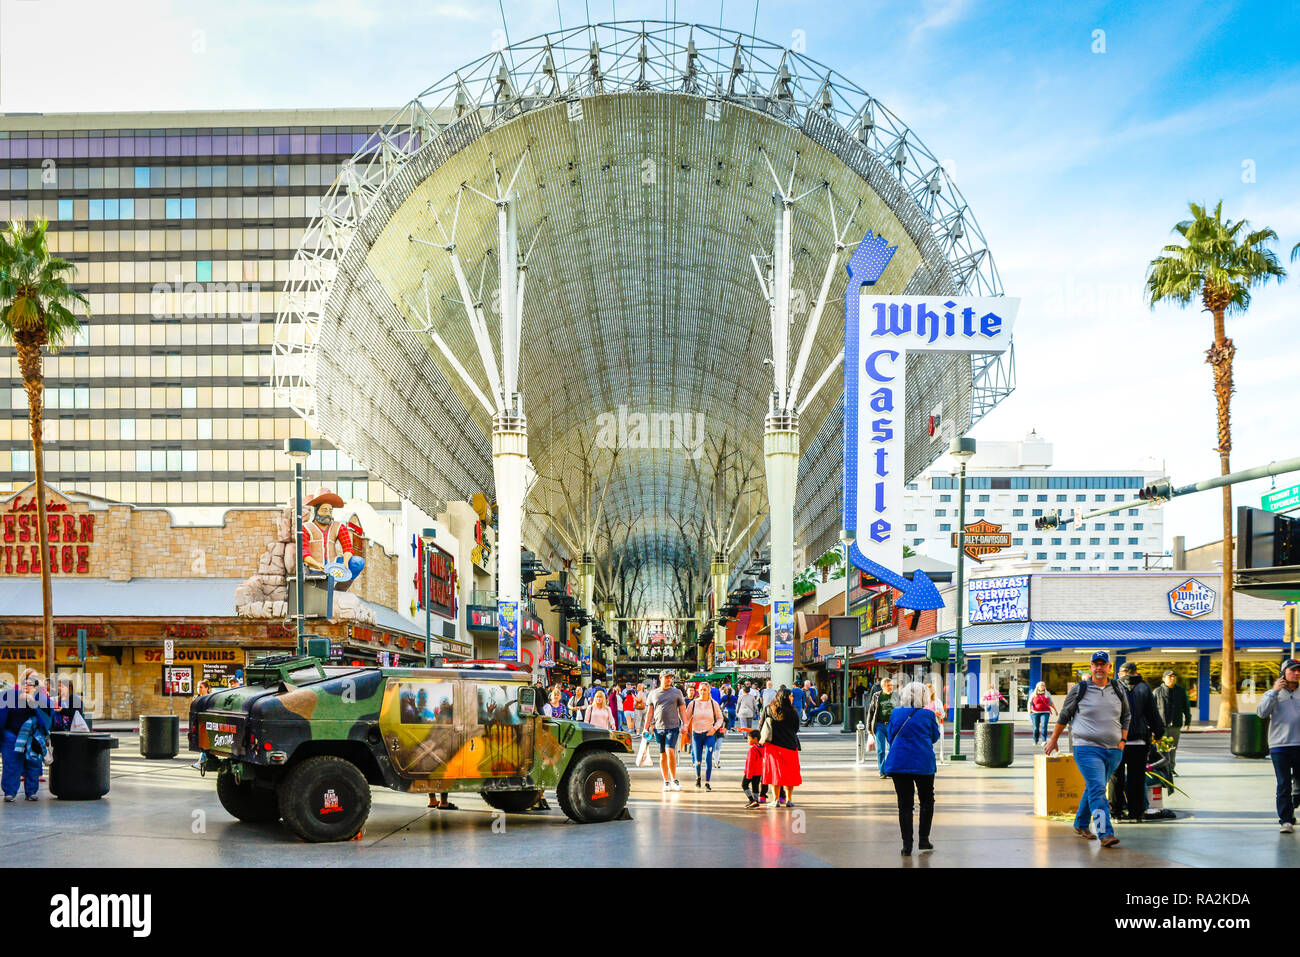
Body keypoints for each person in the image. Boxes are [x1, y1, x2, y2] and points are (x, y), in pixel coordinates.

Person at [1044, 651, 1130, 848]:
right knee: (1098, 789)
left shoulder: (1118, 688)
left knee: (1094, 787)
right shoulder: (1080, 689)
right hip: (1086, 748)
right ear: (1091, 667)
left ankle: (1080, 823)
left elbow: (1126, 716)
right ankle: (1105, 833)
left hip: (1114, 750)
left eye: (1103, 664)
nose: (1099, 668)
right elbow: (1064, 715)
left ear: (1110, 667)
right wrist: (1054, 739)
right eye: (1095, 664)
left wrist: (1123, 741)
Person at [883, 681, 941, 855]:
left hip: (899, 762)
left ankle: (907, 845)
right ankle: (924, 839)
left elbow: (890, 735)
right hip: (923, 762)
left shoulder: (896, 713)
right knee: (927, 800)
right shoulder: (928, 715)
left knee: (905, 805)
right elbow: (935, 736)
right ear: (923, 696)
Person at [1112, 662, 1163, 823]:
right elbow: (1152, 713)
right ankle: (1136, 813)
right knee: (1137, 778)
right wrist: (1159, 732)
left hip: (1117, 740)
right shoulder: (1145, 688)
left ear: (1122, 673)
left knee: (1116, 778)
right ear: (1136, 672)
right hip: (1139, 741)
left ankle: (1116, 813)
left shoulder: (1113, 687)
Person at [1257, 658, 1300, 833]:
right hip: (1280, 746)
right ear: (1283, 673)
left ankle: (1291, 806)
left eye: (1298, 671)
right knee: (1283, 783)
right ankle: (1285, 820)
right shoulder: (1272, 694)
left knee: (1298, 786)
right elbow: (1261, 713)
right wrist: (1274, 691)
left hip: (1299, 745)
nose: (1297, 673)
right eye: (1293, 670)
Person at [2, 672, 52, 802]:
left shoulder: (39, 697)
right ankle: (10, 792)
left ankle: (31, 792)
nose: (27, 685)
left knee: (33, 763)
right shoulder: (9, 695)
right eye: (25, 682)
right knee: (11, 764)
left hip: (33, 737)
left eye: (32, 682)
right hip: (11, 736)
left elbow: (48, 712)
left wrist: (33, 700)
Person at [645, 670, 689, 791]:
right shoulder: (653, 693)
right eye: (667, 677)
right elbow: (649, 712)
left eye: (671, 678)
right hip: (659, 728)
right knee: (662, 756)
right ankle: (666, 781)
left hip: (673, 727)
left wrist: (685, 724)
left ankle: (674, 779)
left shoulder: (677, 692)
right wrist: (645, 727)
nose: (669, 680)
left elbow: (682, 710)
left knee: (670, 751)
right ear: (660, 678)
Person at [759, 686, 802, 807]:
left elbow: (761, 725)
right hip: (790, 746)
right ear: (785, 697)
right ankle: (789, 799)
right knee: (789, 774)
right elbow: (796, 728)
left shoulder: (768, 709)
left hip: (773, 746)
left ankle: (776, 800)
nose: (792, 698)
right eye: (791, 696)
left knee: (774, 774)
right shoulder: (793, 711)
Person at [685, 682, 725, 789]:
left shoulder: (713, 704)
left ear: (709, 691)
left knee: (708, 758)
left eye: (705, 690)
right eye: (701, 690)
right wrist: (684, 727)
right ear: (698, 691)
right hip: (696, 734)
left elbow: (720, 718)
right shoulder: (693, 703)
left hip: (709, 734)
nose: (703, 692)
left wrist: (714, 728)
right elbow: (686, 718)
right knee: (698, 759)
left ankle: (707, 782)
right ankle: (698, 778)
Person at [1153, 670, 1191, 777]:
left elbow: (1186, 706)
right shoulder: (1157, 691)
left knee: (1173, 748)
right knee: (1161, 749)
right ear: (1163, 678)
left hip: (1175, 725)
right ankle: (1161, 769)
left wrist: (1188, 720)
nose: (1172, 679)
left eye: (1173, 677)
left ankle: (1171, 769)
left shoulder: (1181, 691)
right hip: (1161, 726)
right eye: (1169, 677)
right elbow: (1151, 709)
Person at [866, 677, 896, 777]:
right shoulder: (876, 696)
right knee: (881, 750)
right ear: (883, 686)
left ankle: (890, 769)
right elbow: (871, 711)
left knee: (893, 749)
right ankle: (882, 771)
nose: (890, 687)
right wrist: (869, 727)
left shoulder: (896, 696)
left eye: (891, 685)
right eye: (888, 685)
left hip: (892, 726)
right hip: (879, 725)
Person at [742, 729, 768, 808]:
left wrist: (748, 774)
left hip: (751, 772)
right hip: (759, 771)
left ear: (755, 739)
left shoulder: (752, 749)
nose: (748, 740)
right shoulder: (763, 747)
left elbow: (750, 763)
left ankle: (752, 800)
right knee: (755, 786)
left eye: (749, 739)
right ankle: (756, 801)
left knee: (744, 785)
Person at [1028, 681, 1056, 745]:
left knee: (1044, 726)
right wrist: (1029, 710)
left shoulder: (1047, 693)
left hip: (1045, 712)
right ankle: (1035, 740)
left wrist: (1055, 710)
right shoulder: (1034, 694)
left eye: (1043, 685)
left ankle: (1044, 740)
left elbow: (1051, 703)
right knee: (1036, 728)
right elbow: (1029, 702)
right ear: (1038, 687)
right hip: (1035, 712)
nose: (1042, 686)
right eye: (1041, 685)